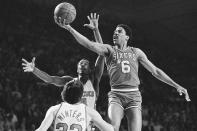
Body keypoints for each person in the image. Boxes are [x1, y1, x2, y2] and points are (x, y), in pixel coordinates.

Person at [54, 16, 191, 131]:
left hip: (134, 95)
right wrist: (70, 28)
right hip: (116, 95)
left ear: (127, 37)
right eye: (114, 31)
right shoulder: (110, 50)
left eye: (119, 31)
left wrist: (176, 85)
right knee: (112, 128)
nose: (115, 33)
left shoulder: (136, 52)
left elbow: (155, 71)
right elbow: (91, 45)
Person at [22, 13, 103, 109]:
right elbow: (50, 79)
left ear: (90, 70)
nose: (82, 63)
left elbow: (102, 52)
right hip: (73, 119)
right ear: (77, 70)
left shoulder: (95, 79)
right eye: (80, 62)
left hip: (90, 122)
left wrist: (95, 30)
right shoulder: (70, 81)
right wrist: (34, 70)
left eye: (85, 63)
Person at [35, 79, 114, 131]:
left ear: (64, 93)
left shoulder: (54, 109)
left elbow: (40, 130)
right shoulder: (89, 112)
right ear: (81, 96)